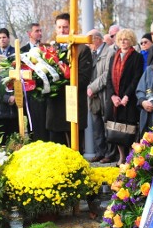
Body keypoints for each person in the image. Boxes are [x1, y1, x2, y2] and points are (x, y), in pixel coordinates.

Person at [46, 12, 93, 147]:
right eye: (59, 27)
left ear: (72, 28)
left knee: (74, 155)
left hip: (73, 106)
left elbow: (83, 79)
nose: (62, 30)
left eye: (65, 27)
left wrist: (61, 76)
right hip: (54, 109)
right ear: (55, 29)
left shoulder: (83, 49)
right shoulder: (51, 49)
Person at [103, 28, 144, 164]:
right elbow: (108, 78)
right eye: (120, 39)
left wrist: (126, 96)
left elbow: (136, 78)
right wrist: (113, 96)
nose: (123, 42)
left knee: (129, 129)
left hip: (129, 99)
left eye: (125, 39)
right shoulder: (114, 56)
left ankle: (130, 158)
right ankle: (121, 157)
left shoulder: (137, 57)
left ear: (131, 40)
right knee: (117, 130)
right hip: (115, 100)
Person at [87, 28, 115, 162]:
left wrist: (92, 87)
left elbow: (107, 74)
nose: (87, 44)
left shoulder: (109, 52)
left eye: (89, 41)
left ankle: (109, 154)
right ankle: (100, 152)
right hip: (93, 97)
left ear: (96, 39)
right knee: (96, 125)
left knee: (106, 124)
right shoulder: (92, 53)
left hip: (104, 94)